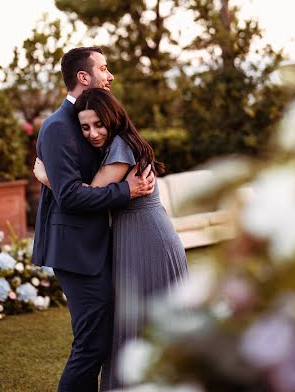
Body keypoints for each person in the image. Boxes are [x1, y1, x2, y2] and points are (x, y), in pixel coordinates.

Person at [34, 87, 188, 391]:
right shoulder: (112, 146)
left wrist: (48, 179)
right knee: (135, 322)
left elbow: (86, 194)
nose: (92, 133)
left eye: (98, 124)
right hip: (132, 236)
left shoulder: (120, 148)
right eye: (85, 127)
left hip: (147, 240)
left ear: (113, 118)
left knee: (146, 321)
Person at [31, 47, 155, 392]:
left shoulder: (89, 118)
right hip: (75, 250)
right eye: (104, 68)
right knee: (90, 347)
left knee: (100, 343)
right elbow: (70, 195)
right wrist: (126, 192)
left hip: (96, 247)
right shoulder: (58, 127)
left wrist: (47, 180)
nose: (110, 75)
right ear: (83, 78)